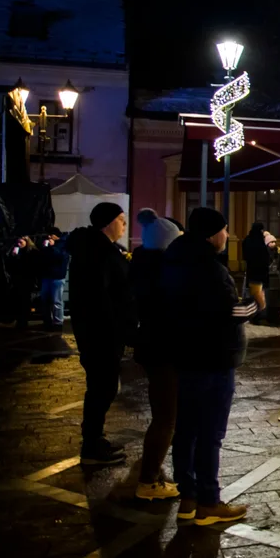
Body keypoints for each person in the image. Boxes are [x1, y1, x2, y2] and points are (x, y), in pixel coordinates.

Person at [164, 207, 255, 525]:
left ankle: (187, 498)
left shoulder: (175, 261)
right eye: (225, 230)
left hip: (187, 356)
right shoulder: (210, 270)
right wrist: (254, 301)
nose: (227, 236)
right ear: (212, 233)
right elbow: (233, 312)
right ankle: (208, 501)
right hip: (214, 359)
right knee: (210, 433)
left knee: (186, 429)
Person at [66, 202, 135, 466]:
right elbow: (102, 298)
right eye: (121, 219)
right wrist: (122, 327)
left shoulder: (99, 250)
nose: (124, 225)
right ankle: (92, 445)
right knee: (102, 388)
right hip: (102, 334)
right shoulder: (99, 253)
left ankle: (94, 438)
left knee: (101, 387)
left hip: (99, 332)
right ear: (107, 222)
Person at [131, 208, 183, 500]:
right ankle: (148, 482)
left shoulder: (144, 265)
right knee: (166, 418)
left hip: (153, 348)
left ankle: (154, 472)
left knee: (164, 415)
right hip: (164, 350)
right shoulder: (162, 274)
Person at [37, 226, 69, 331]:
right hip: (47, 276)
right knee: (45, 300)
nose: (49, 237)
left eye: (51, 235)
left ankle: (58, 323)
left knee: (57, 301)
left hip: (58, 277)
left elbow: (61, 257)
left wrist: (53, 246)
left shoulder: (63, 244)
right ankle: (47, 321)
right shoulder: (48, 244)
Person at [242, 222, 272, 317]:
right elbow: (266, 257)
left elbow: (245, 255)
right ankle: (260, 313)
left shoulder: (247, 240)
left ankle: (253, 313)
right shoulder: (260, 241)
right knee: (261, 293)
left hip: (251, 271)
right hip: (261, 272)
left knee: (251, 292)